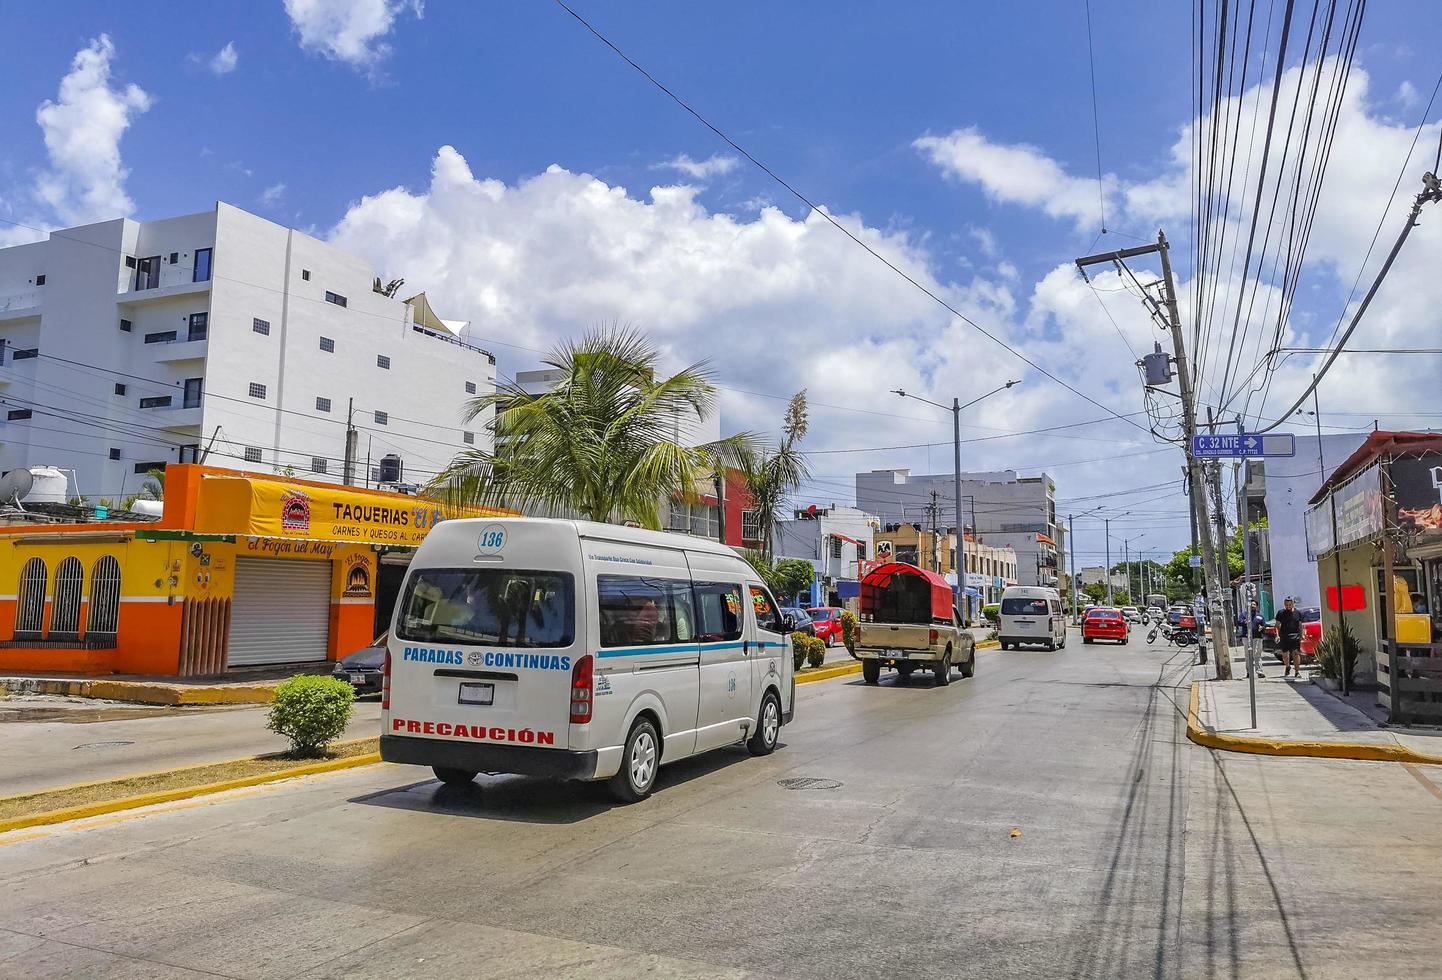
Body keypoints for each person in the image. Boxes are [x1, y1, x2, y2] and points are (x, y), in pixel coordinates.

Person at [1275, 596, 1304, 679]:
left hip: (1295, 636)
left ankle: (1297, 672)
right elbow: (1277, 625)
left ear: (1292, 604)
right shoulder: (1281, 613)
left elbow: (1300, 625)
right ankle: (1287, 666)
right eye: (1286, 605)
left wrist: (1302, 634)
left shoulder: (1298, 613)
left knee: (1295, 653)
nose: (1288, 606)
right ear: (1284, 605)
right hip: (1284, 636)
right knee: (1285, 654)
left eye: (1289, 605)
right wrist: (1277, 635)